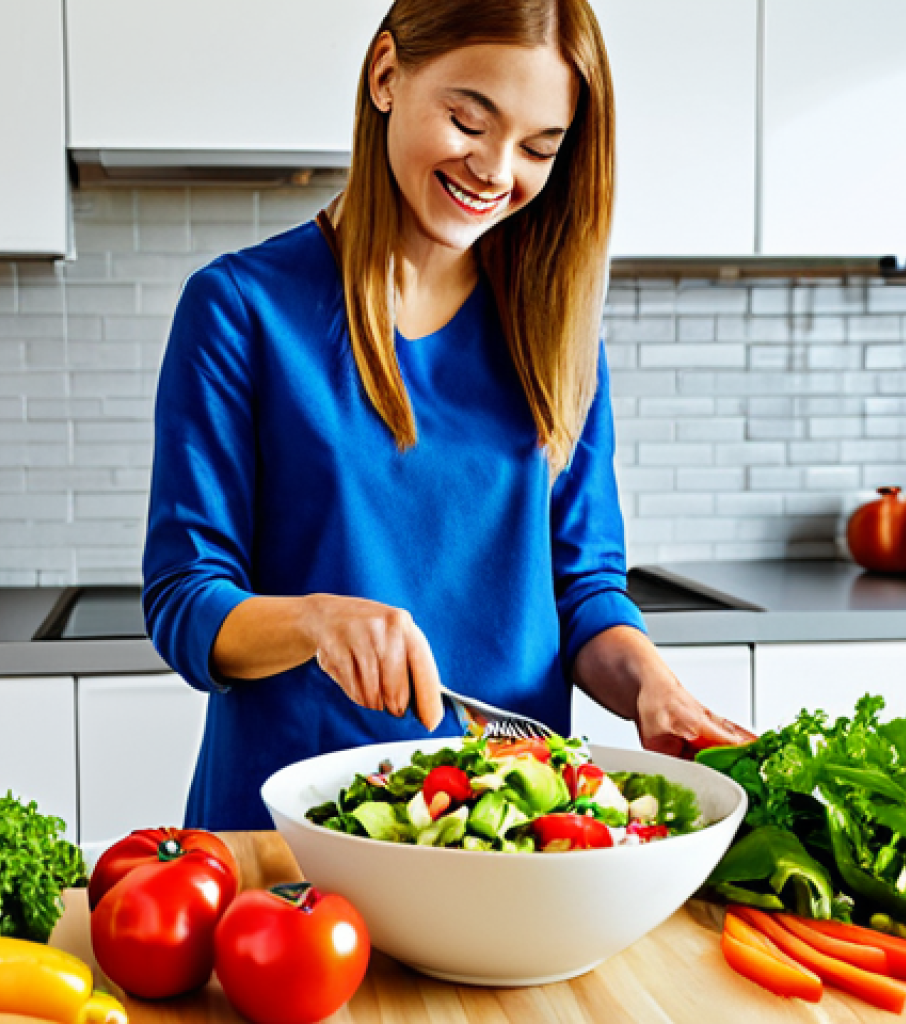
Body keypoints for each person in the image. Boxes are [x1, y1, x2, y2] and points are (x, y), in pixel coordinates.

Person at [143, 0, 754, 831]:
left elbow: (586, 593)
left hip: (504, 832)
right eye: (470, 120)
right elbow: (186, 598)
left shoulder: (554, 333)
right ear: (387, 74)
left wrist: (650, 679)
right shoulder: (240, 309)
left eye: (539, 147)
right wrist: (318, 619)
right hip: (289, 839)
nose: (497, 171)